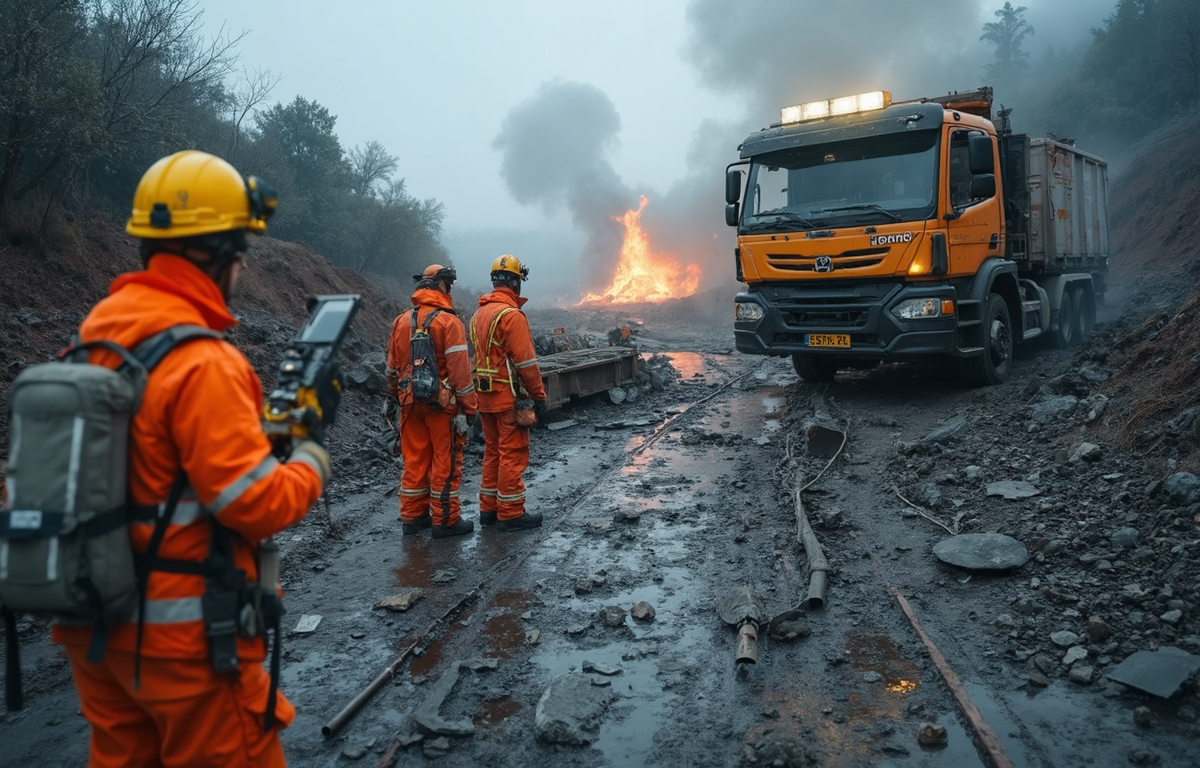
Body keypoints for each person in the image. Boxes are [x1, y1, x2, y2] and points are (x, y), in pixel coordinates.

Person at [51, 150, 332, 768]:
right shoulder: (203, 361)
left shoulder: (92, 340)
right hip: (185, 645)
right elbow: (255, 505)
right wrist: (310, 458)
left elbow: (152, 469)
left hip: (94, 628)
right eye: (241, 252)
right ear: (221, 250)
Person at [385, 264, 478, 538]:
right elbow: (460, 373)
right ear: (443, 286)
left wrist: (395, 397)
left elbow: (391, 368)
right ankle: (446, 520)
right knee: (445, 462)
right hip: (441, 406)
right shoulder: (449, 322)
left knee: (414, 460)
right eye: (449, 285)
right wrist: (469, 408)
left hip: (408, 403)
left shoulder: (401, 321)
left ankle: (413, 518)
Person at [469, 254, 547, 532]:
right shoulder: (511, 316)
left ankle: (488, 510)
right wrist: (539, 396)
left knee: (492, 452)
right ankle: (511, 512)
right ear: (515, 283)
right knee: (512, 452)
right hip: (508, 398)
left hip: (484, 397)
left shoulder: (479, 314)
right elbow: (526, 363)